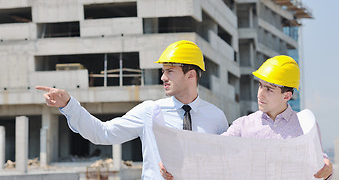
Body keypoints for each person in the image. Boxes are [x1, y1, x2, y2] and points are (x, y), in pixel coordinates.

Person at [36, 40, 228, 180]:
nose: (162, 78)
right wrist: (69, 105)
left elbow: (226, 167)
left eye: (170, 71)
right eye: (163, 71)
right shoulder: (150, 111)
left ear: (191, 75)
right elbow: (102, 133)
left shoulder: (216, 117)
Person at [160, 55, 333, 180]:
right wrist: (174, 163)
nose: (260, 94)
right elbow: (212, 151)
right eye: (260, 86)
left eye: (269, 89)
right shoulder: (243, 125)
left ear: (286, 96)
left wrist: (328, 167)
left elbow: (320, 161)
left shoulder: (304, 124)